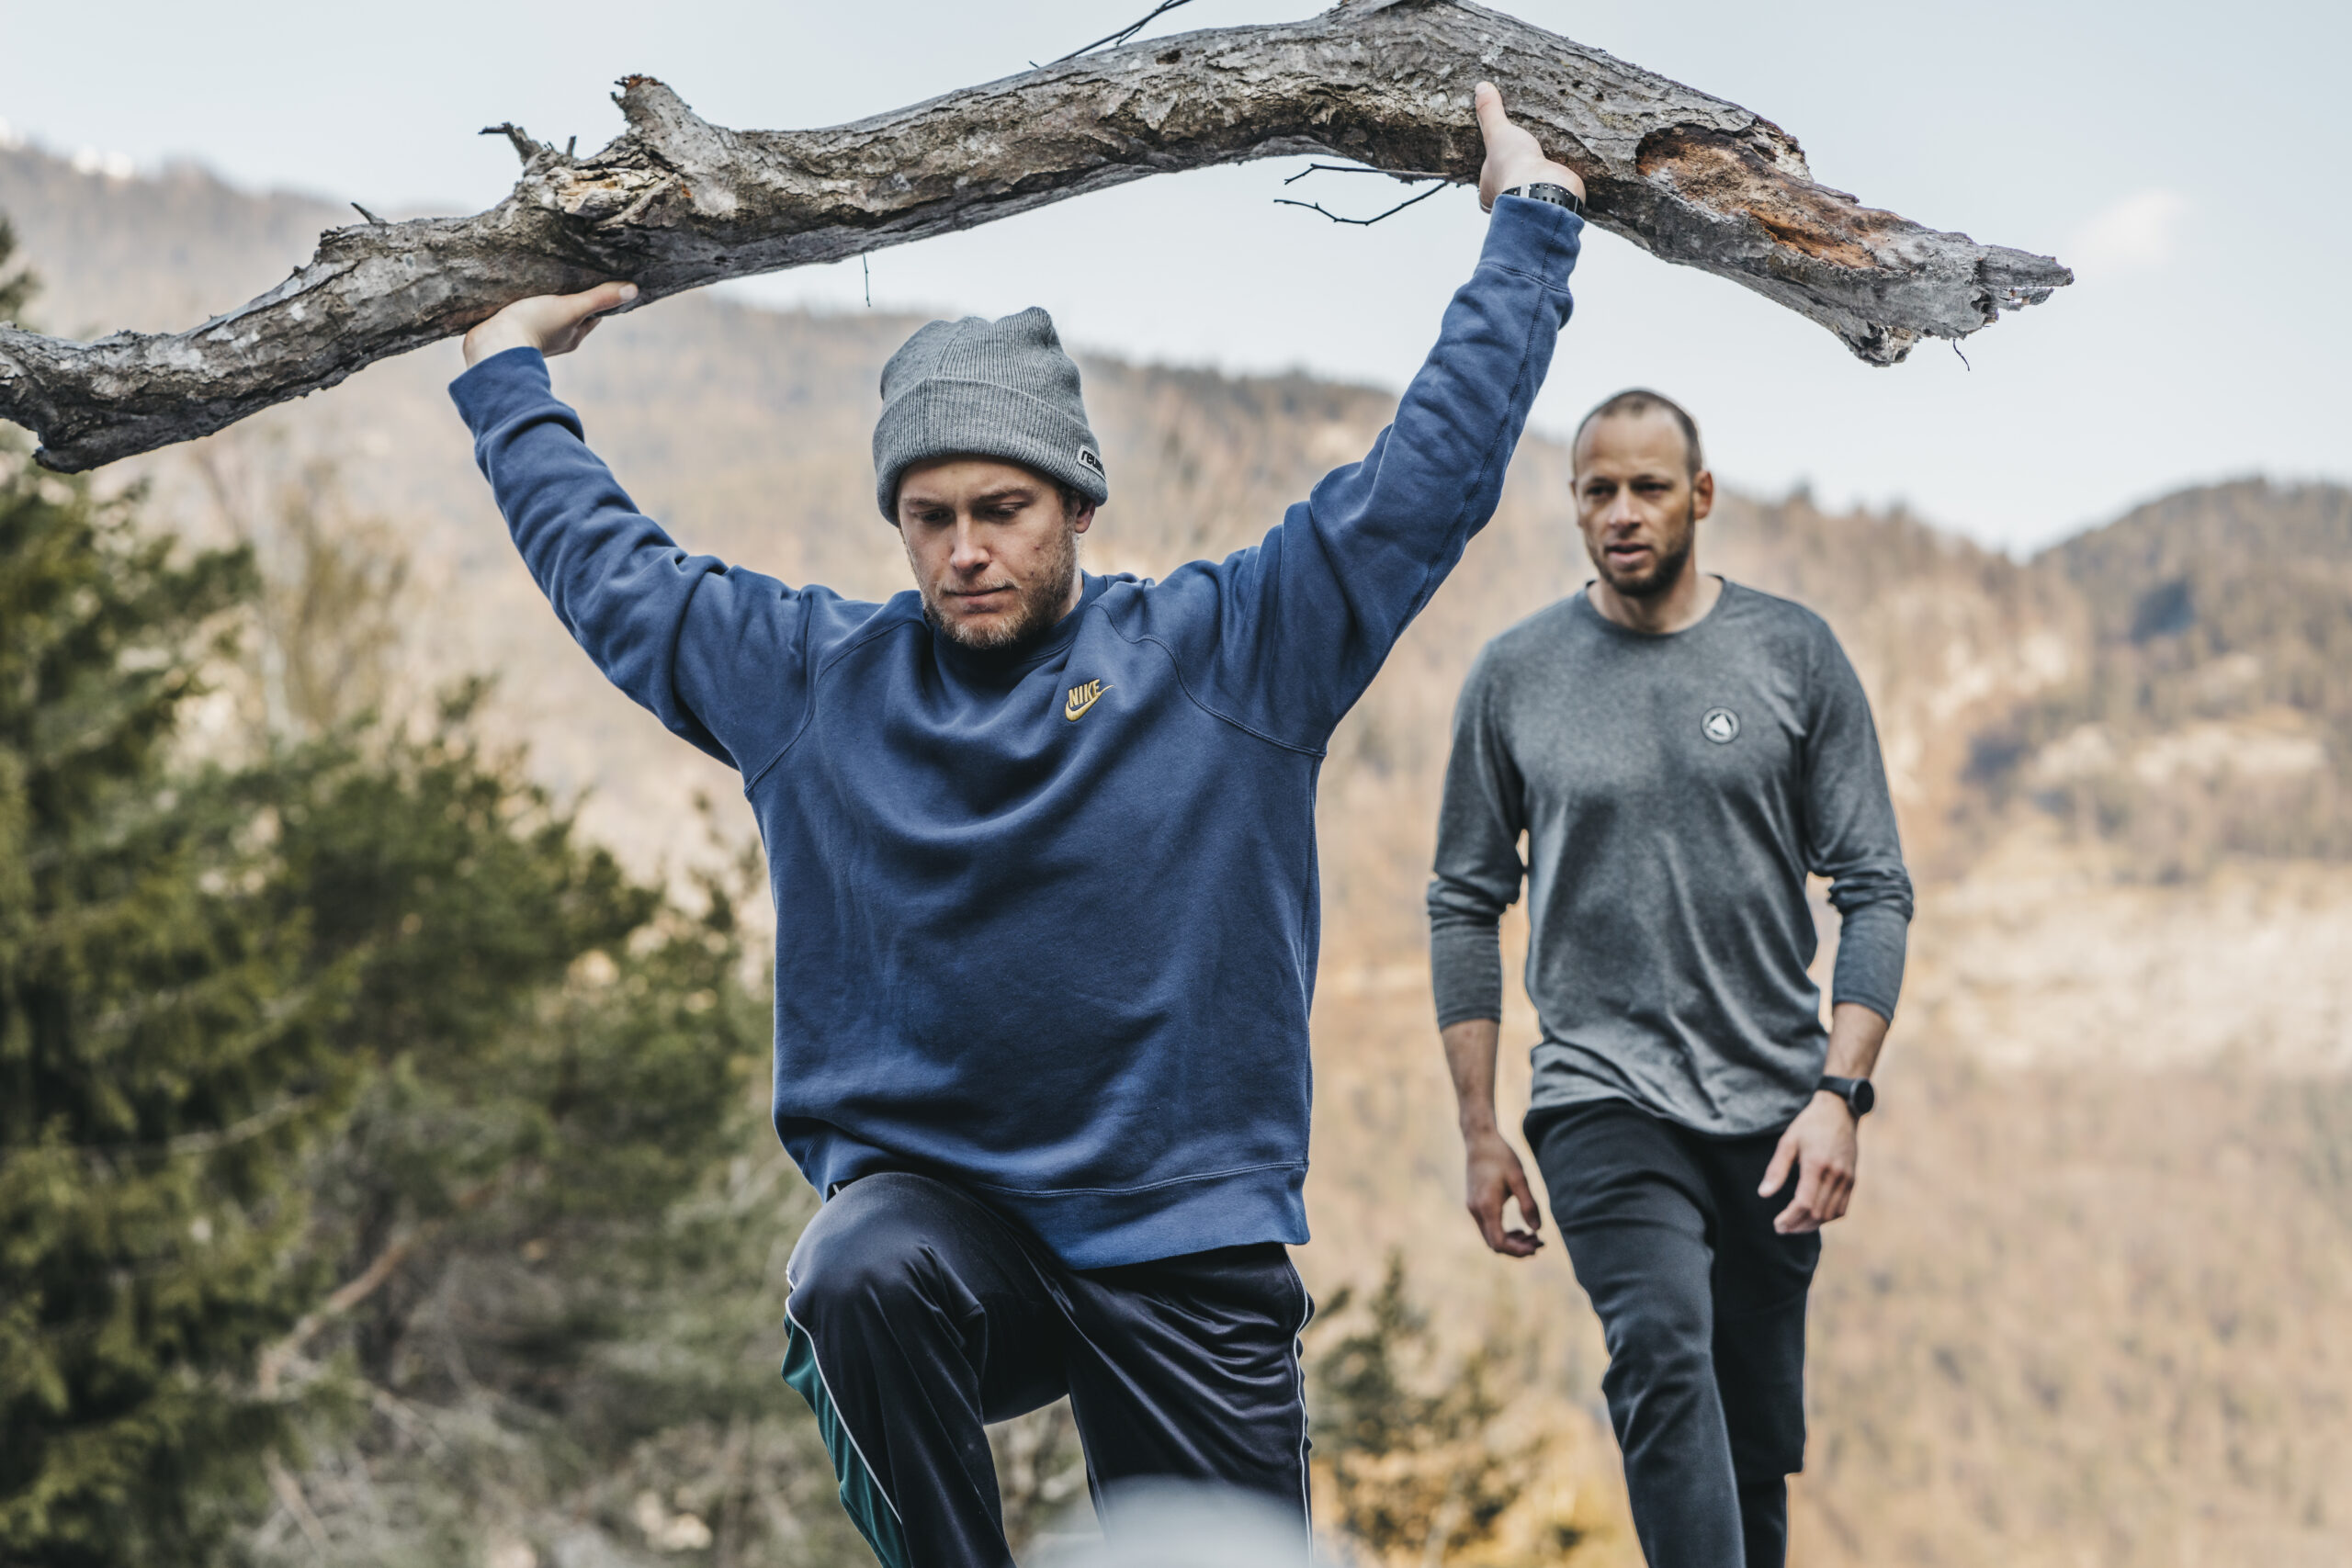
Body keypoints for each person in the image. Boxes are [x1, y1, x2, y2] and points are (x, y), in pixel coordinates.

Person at [448, 85, 1587, 1568]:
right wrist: (502, 372)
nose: (967, 549)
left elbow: (1421, 485)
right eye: (931, 516)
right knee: (851, 1270)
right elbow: (619, 580)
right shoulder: (817, 685)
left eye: (1004, 508)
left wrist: (1530, 228)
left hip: (1183, 1240)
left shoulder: (1228, 653)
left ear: (1079, 505)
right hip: (951, 1241)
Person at [1427, 389, 1914, 1568]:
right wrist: (1481, 1128)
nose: (1622, 512)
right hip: (1600, 1094)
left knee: (1747, 1446)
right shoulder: (1516, 676)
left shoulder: (1791, 655)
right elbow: (1463, 899)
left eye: (1648, 488)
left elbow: (1874, 886)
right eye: (1598, 490)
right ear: (1573, 504)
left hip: (1773, 1109)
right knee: (1658, 1351)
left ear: (1699, 496)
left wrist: (1839, 1097)